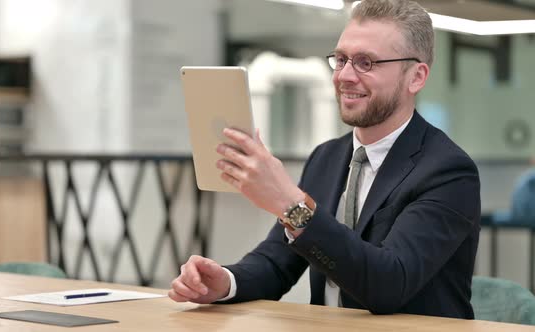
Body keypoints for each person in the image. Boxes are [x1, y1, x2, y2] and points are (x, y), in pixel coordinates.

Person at [169, 0, 480, 319]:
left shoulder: (448, 172)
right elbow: (277, 263)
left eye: (366, 63)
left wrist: (291, 203)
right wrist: (226, 282)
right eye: (341, 59)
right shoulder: (327, 157)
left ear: (416, 76)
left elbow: (388, 285)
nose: (345, 76)